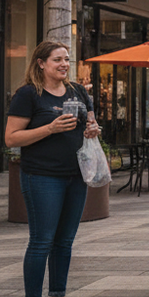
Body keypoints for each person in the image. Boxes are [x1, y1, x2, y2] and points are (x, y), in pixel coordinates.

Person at [4, 41, 100, 297]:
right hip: (42, 176)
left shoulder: (78, 91)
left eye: (66, 59)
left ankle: (58, 293)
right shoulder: (28, 94)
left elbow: (91, 124)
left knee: (64, 242)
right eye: (57, 59)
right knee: (42, 241)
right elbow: (11, 138)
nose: (64, 64)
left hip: (76, 175)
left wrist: (93, 130)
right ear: (41, 63)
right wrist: (50, 128)